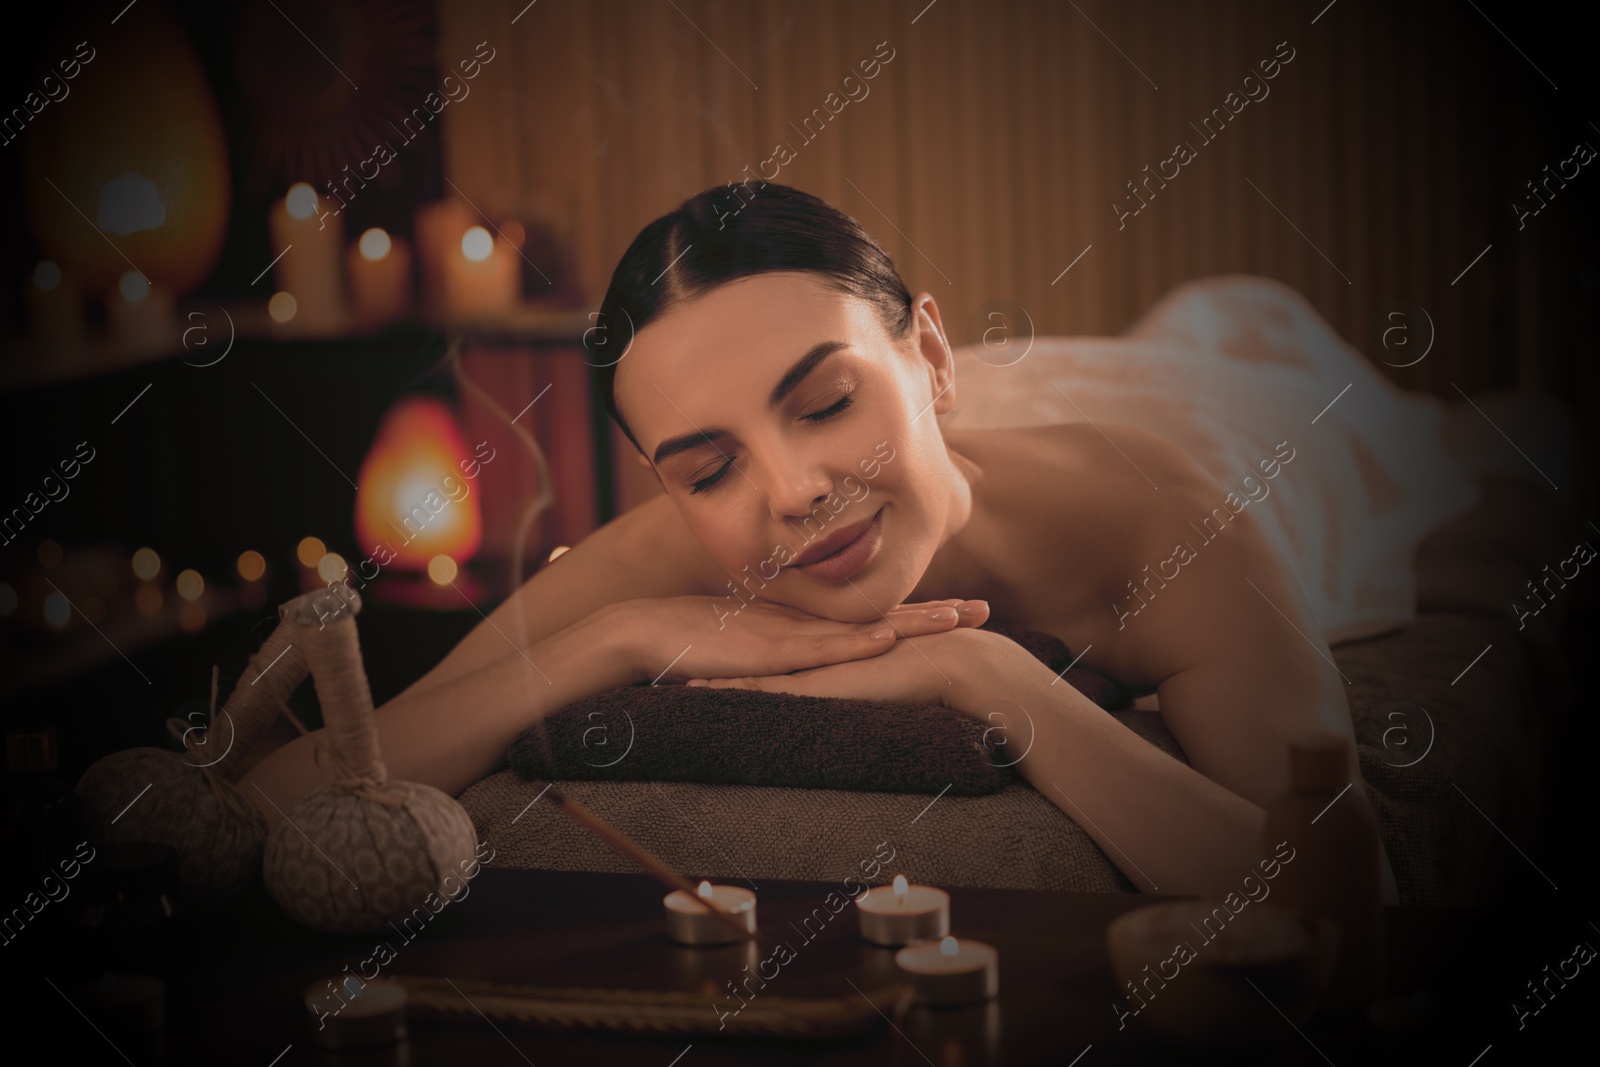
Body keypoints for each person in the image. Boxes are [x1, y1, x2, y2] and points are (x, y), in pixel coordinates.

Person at [245, 182, 1397, 901]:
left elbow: (1339, 891)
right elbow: (291, 793)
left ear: (932, 359)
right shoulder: (667, 557)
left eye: (825, 402)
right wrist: (619, 635)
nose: (790, 490)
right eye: (708, 467)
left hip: (1227, 414)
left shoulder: (1155, 518)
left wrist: (983, 672)